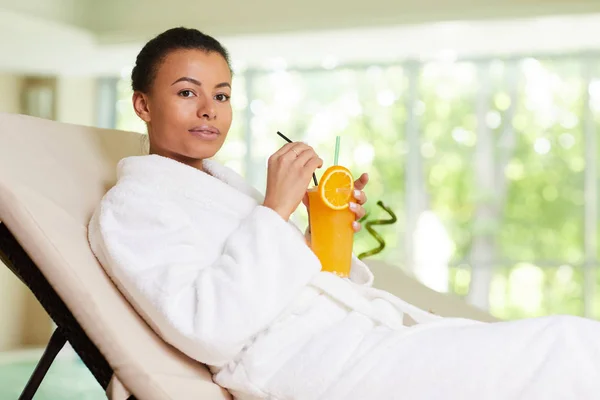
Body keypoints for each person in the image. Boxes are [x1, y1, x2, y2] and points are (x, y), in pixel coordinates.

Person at [88, 27, 600, 400]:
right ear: (142, 104)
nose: (209, 109)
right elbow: (207, 325)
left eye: (221, 95)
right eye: (186, 92)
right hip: (310, 367)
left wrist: (322, 232)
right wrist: (274, 211)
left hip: (361, 342)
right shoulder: (132, 207)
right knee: (566, 349)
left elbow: (291, 277)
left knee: (572, 344)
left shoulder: (221, 188)